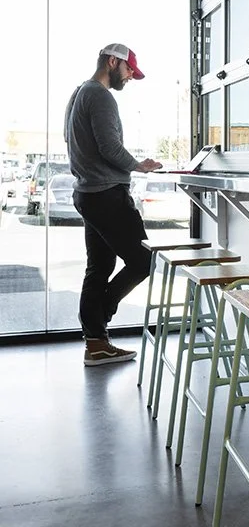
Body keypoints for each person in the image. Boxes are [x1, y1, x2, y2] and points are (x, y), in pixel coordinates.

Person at [64, 43, 163, 367]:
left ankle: (96, 343)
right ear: (113, 61)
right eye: (129, 70)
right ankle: (99, 319)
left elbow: (73, 141)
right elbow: (109, 147)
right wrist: (139, 165)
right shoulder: (101, 95)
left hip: (89, 194)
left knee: (100, 268)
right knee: (144, 261)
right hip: (107, 195)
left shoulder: (79, 93)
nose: (131, 77)